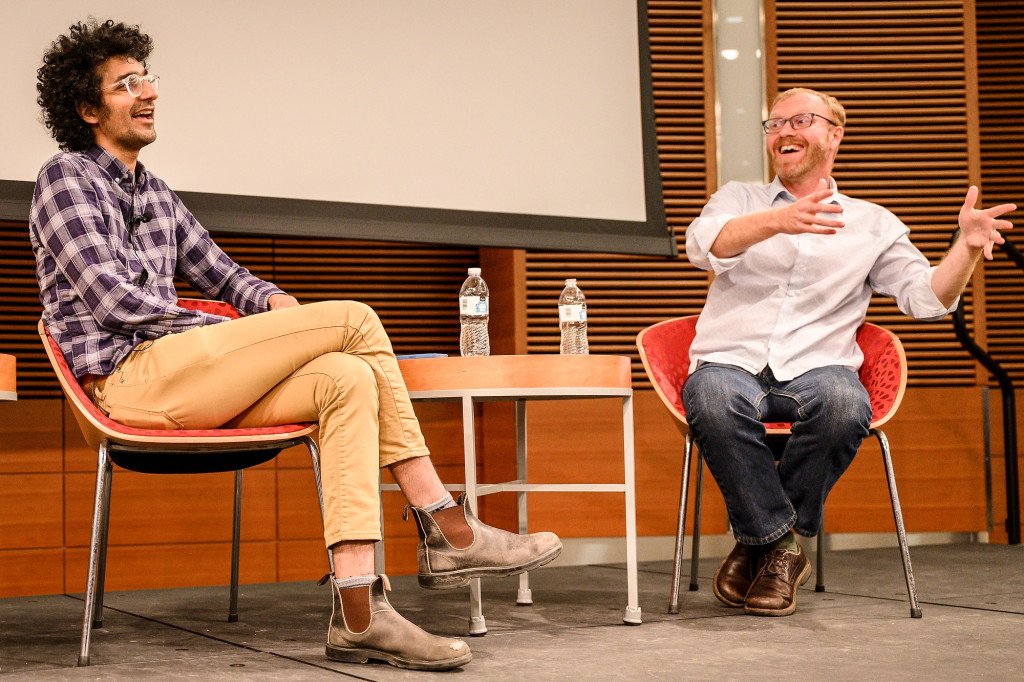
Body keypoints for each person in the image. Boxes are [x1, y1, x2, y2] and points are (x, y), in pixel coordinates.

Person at [29, 19, 562, 670]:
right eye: (126, 83)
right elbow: (114, 302)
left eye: (149, 78)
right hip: (127, 383)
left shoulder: (158, 195)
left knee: (346, 377)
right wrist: (239, 330)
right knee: (357, 320)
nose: (148, 92)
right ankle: (447, 527)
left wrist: (277, 308)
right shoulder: (65, 179)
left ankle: (360, 611)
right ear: (87, 108)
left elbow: (225, 275)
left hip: (187, 378)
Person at [683, 87, 1015, 617]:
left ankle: (761, 543)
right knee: (713, 397)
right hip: (732, 361)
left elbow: (927, 299)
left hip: (820, 367)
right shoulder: (738, 199)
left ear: (835, 135)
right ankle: (784, 548)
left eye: (800, 120)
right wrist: (778, 221)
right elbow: (704, 246)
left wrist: (966, 249)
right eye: (774, 123)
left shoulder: (873, 223)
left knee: (845, 406)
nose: (784, 131)